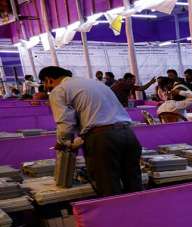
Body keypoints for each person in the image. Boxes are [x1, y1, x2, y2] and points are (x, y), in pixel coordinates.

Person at [39, 66, 143, 197]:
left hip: (103, 138)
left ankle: (116, 216)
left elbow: (65, 123)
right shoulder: (95, 84)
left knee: (108, 186)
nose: (46, 88)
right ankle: (138, 215)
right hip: (128, 134)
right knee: (134, 184)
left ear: (48, 80)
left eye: (44, 83)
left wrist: (63, 143)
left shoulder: (59, 90)